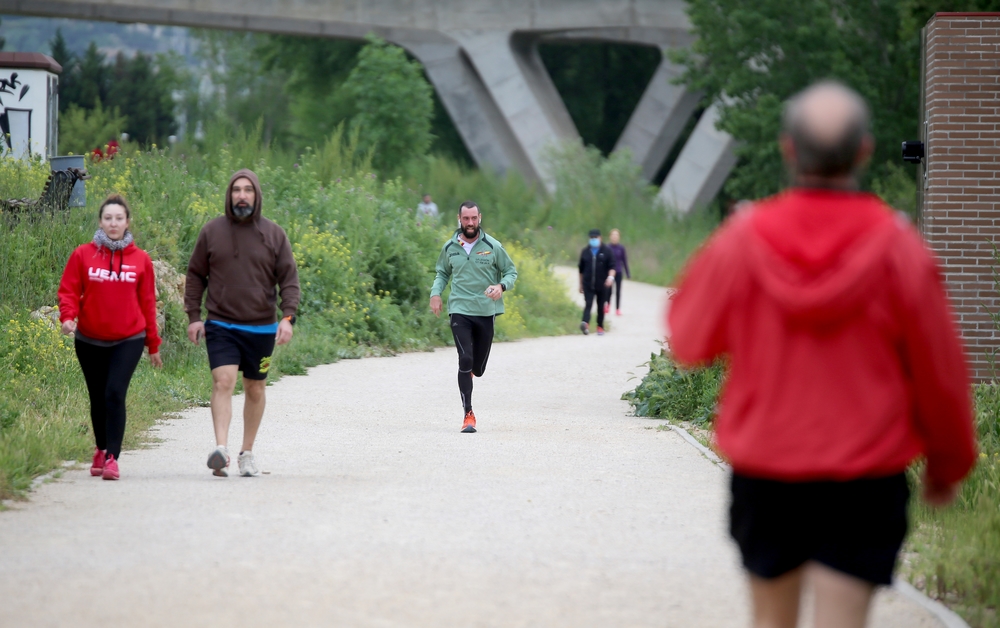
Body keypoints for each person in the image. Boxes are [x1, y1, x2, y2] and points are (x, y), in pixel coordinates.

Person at [667, 81, 977, 628]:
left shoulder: (744, 240)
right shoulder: (900, 249)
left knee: (771, 621)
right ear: (864, 150)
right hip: (863, 477)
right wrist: (947, 466)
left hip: (768, 469)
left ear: (789, 150)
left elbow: (690, 343)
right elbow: (941, 373)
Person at [185, 169, 300, 477]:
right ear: (229, 195)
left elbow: (289, 279)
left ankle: (246, 452)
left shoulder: (274, 235)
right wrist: (194, 317)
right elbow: (196, 274)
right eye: (237, 190)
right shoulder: (212, 232)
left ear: (256, 195)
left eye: (248, 190)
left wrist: (287, 318)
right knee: (223, 381)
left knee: (255, 388)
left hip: (261, 327)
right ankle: (221, 449)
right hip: (222, 324)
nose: (242, 195)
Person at [58, 193, 163, 481]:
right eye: (108, 218)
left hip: (128, 338)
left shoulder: (141, 260)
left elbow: (147, 304)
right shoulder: (83, 254)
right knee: (97, 397)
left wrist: (152, 344)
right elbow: (69, 290)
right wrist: (68, 317)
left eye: (119, 218)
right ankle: (101, 449)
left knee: (114, 393)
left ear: (127, 222)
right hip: (89, 338)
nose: (113, 223)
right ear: (100, 222)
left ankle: (113, 458)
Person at [430, 201, 517, 433]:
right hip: (459, 309)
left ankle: (471, 372)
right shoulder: (450, 247)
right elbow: (442, 272)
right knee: (465, 359)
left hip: (486, 311)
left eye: (474, 218)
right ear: (459, 219)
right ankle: (468, 414)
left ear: (480, 218)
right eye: (466, 219)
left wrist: (502, 286)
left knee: (477, 368)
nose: (470, 223)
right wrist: (435, 293)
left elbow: (511, 271)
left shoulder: (493, 246)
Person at [577, 228, 616, 335]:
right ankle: (585, 324)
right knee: (588, 303)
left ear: (600, 238)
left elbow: (612, 267)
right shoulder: (585, 252)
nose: (593, 239)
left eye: (595, 237)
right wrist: (580, 284)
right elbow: (581, 270)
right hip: (588, 283)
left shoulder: (607, 251)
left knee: (600, 306)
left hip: (602, 284)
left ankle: (600, 326)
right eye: (591, 237)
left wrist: (610, 278)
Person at [607, 228, 630, 316]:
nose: (614, 237)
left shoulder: (621, 248)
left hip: (619, 271)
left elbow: (624, 261)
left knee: (618, 291)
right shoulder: (607, 247)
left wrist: (627, 273)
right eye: (613, 235)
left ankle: (617, 309)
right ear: (610, 237)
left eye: (616, 235)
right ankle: (607, 305)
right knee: (608, 290)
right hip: (609, 272)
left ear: (619, 237)